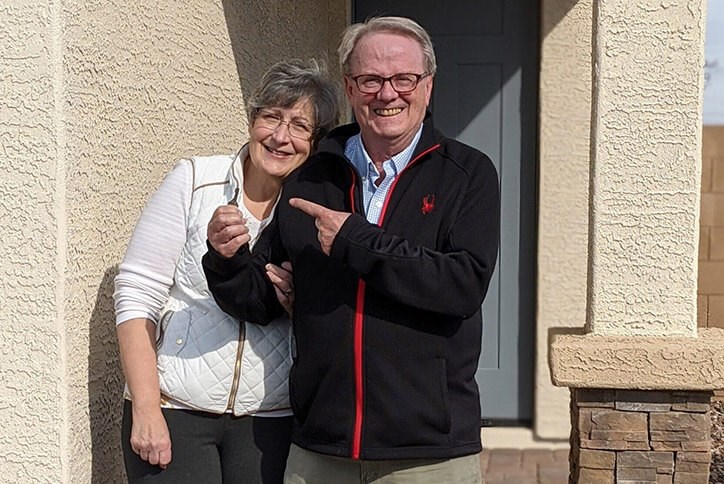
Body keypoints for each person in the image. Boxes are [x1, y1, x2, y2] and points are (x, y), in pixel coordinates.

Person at [203, 16, 500, 483]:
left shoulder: (468, 174)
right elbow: (262, 300)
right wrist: (225, 260)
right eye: (370, 80)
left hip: (427, 455)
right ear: (348, 86)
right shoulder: (311, 176)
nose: (387, 94)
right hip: (320, 450)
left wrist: (355, 241)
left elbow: (461, 286)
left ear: (428, 86)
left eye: (404, 78)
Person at [113, 59, 339, 484]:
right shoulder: (194, 179)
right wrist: (146, 407)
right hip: (175, 410)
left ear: (316, 140)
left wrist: (300, 306)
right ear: (252, 119)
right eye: (270, 116)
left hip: (269, 422)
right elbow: (136, 293)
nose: (280, 136)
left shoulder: (316, 210)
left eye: (299, 125)